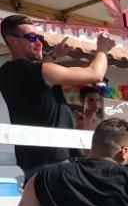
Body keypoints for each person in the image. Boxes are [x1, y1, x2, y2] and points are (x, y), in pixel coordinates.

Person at [0, 15, 115, 180]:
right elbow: (95, 74)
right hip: (55, 163)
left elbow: (35, 73)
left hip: (32, 162)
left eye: (39, 37)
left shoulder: (6, 73)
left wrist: (53, 55)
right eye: (31, 37)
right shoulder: (41, 72)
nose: (39, 42)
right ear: (12, 41)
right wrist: (102, 50)